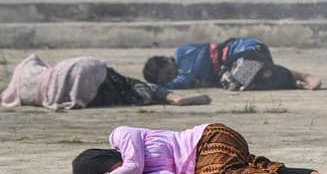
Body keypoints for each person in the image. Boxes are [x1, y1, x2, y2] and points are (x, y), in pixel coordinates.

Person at [57, 123, 327, 174]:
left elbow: (133, 164)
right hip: (203, 161)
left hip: (208, 140)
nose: (120, 171)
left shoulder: (122, 136)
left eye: (111, 171)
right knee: (252, 169)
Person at [2, 54, 210, 110]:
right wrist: (204, 98)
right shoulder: (142, 88)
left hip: (78, 69)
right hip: (80, 72)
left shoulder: (119, 83)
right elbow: (179, 100)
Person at [142, 37, 321, 91]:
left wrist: (160, 86)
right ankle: (291, 81)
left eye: (167, 73)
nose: (171, 78)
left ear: (166, 61)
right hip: (233, 69)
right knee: (240, 84)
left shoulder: (183, 54)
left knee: (240, 75)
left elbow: (182, 81)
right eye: (166, 79)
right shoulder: (182, 73)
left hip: (247, 50)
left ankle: (300, 75)